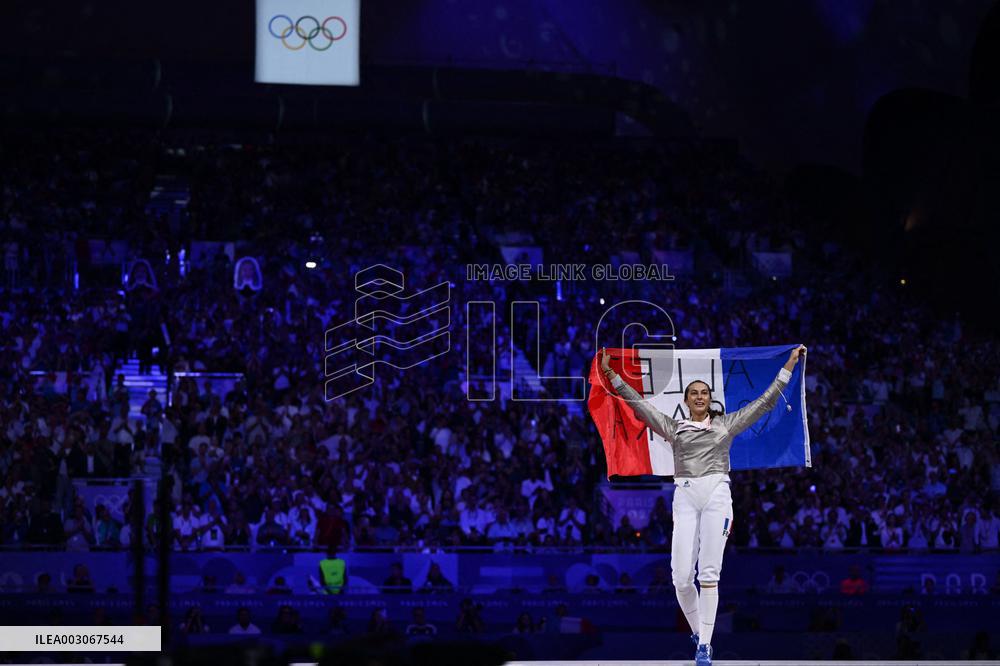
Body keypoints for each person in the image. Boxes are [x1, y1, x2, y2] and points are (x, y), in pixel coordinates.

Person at [600, 344, 805, 665]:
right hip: (684, 496)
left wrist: (789, 364)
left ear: (710, 400)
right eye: (693, 392)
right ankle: (700, 632)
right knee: (680, 577)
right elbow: (638, 405)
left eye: (704, 393)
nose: (699, 396)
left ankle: (705, 647)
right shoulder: (673, 427)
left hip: (717, 497)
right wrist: (611, 373)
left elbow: (765, 402)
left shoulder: (726, 425)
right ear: (686, 400)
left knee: (708, 573)